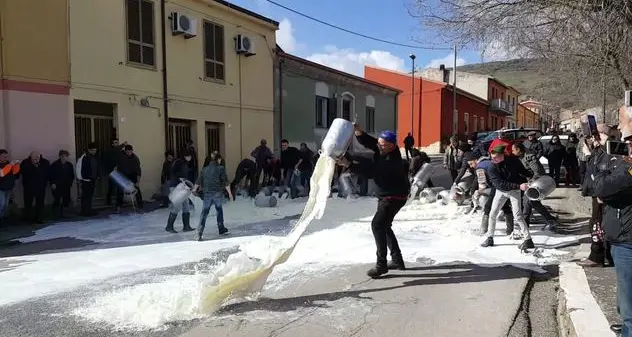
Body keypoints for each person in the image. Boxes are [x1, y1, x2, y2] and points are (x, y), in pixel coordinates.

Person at [337, 127, 410, 278]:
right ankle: (397, 260)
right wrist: (359, 132)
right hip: (388, 196)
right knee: (385, 226)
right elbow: (372, 142)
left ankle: (381, 265)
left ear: (391, 145)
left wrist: (349, 165)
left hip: (393, 198)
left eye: (382, 144)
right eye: (380, 143)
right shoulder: (383, 149)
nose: (379, 145)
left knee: (377, 225)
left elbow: (370, 171)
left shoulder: (392, 161)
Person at [591, 105, 632, 336]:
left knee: (629, 308)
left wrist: (609, 165)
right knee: (623, 301)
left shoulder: (628, 169)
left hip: (628, 241)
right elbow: (592, 186)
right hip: (621, 238)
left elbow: (600, 187)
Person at [482, 145, 534, 250]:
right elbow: (500, 184)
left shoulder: (513, 161)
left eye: (496, 157)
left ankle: (528, 240)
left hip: (514, 191)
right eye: (492, 157)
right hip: (501, 191)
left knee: (518, 215)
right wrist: (519, 186)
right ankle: (489, 237)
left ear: (502, 156)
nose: (493, 159)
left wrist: (531, 175)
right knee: (493, 213)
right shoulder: (491, 167)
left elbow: (523, 171)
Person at [511, 143, 560, 230]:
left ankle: (524, 225)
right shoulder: (518, 157)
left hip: (535, 183)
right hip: (527, 182)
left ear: (518, 150)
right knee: (534, 203)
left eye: (513, 150)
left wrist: (530, 183)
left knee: (527, 202)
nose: (512, 152)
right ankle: (551, 219)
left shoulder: (530, 158)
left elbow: (537, 172)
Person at [470, 152, 514, 235]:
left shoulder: (480, 168)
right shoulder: (488, 161)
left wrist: (477, 193)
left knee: (487, 208)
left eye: (471, 163)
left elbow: (482, 184)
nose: (471, 166)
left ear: (476, 160)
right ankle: (510, 230)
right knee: (505, 206)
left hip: (496, 186)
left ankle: (483, 230)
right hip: (504, 184)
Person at [194, 152, 232, 241]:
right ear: (218, 159)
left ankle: (199, 233)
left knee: (204, 212)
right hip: (217, 193)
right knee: (219, 210)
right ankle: (221, 229)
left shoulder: (204, 169)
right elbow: (226, 182)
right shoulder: (221, 168)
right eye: (220, 159)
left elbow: (198, 181)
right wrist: (230, 194)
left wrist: (194, 189)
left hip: (207, 194)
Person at [165, 149, 196, 233]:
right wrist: (181, 179)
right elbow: (174, 172)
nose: (190, 158)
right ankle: (169, 226)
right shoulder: (178, 162)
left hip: (182, 187)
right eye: (189, 156)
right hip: (176, 187)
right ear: (185, 156)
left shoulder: (185, 163)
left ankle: (186, 226)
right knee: (177, 206)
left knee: (186, 206)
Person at [20, 151, 50, 223]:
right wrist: (33, 167)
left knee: (40, 203)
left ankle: (40, 218)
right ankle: (28, 219)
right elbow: (23, 172)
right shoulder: (25, 162)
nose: (36, 159)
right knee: (28, 203)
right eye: (34, 158)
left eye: (38, 158)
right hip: (29, 187)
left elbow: (48, 173)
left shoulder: (45, 162)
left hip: (40, 186)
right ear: (31, 157)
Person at [115, 144, 143, 212]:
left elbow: (138, 171)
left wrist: (137, 182)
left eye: (130, 152)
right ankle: (118, 207)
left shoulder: (135, 159)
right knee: (120, 190)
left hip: (132, 175)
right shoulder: (121, 155)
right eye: (127, 152)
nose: (128, 153)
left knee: (136, 190)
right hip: (122, 174)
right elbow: (115, 151)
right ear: (125, 151)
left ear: (132, 151)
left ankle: (140, 206)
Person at [49, 150, 75, 218]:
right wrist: (53, 183)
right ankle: (55, 214)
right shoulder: (54, 165)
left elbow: (72, 175)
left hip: (66, 185)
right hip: (57, 185)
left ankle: (64, 214)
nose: (65, 158)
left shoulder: (69, 165)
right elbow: (50, 175)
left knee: (66, 199)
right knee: (57, 199)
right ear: (60, 156)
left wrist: (70, 183)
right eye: (63, 156)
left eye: (66, 156)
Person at [76, 143, 99, 216]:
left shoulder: (93, 157)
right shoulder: (84, 157)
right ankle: (85, 211)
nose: (94, 151)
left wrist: (96, 176)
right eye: (93, 150)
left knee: (89, 196)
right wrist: (81, 179)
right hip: (86, 180)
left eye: (95, 150)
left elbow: (95, 168)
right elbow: (80, 169)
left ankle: (88, 210)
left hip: (92, 180)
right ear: (89, 150)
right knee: (86, 197)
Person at [0, 150, 20, 226]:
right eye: (3, 156)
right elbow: (2, 173)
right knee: (1, 204)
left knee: (5, 205)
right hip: (1, 188)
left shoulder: (9, 164)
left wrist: (17, 165)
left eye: (6, 156)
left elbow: (15, 173)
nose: (5, 158)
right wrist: (10, 165)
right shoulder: (8, 165)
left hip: (8, 187)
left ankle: (3, 219)